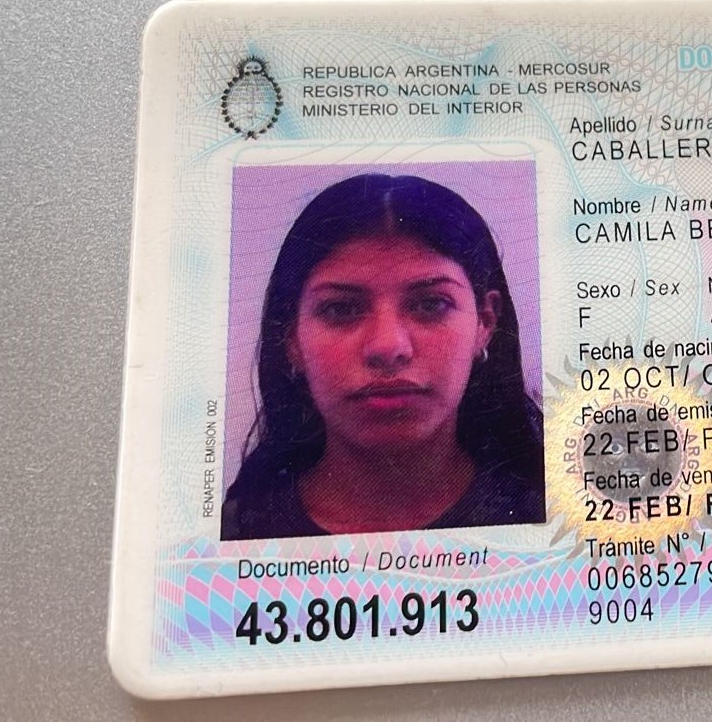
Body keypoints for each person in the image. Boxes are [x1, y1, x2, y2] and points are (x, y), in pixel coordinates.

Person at [222, 173, 544, 540]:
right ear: (292, 337)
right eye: (340, 309)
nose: (388, 347)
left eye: (431, 304)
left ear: (485, 322)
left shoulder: (559, 518)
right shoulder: (236, 533)